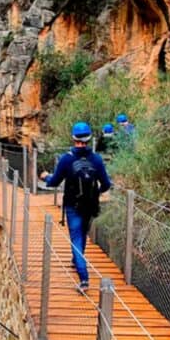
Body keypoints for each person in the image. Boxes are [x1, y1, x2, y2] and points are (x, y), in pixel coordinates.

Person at [40, 122, 111, 294]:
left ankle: (84, 279)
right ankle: (76, 260)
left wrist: (45, 176)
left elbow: (54, 182)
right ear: (89, 139)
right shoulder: (96, 159)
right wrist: (95, 193)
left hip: (73, 205)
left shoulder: (67, 159)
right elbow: (106, 184)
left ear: (73, 138)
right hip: (90, 205)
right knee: (82, 234)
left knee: (76, 239)